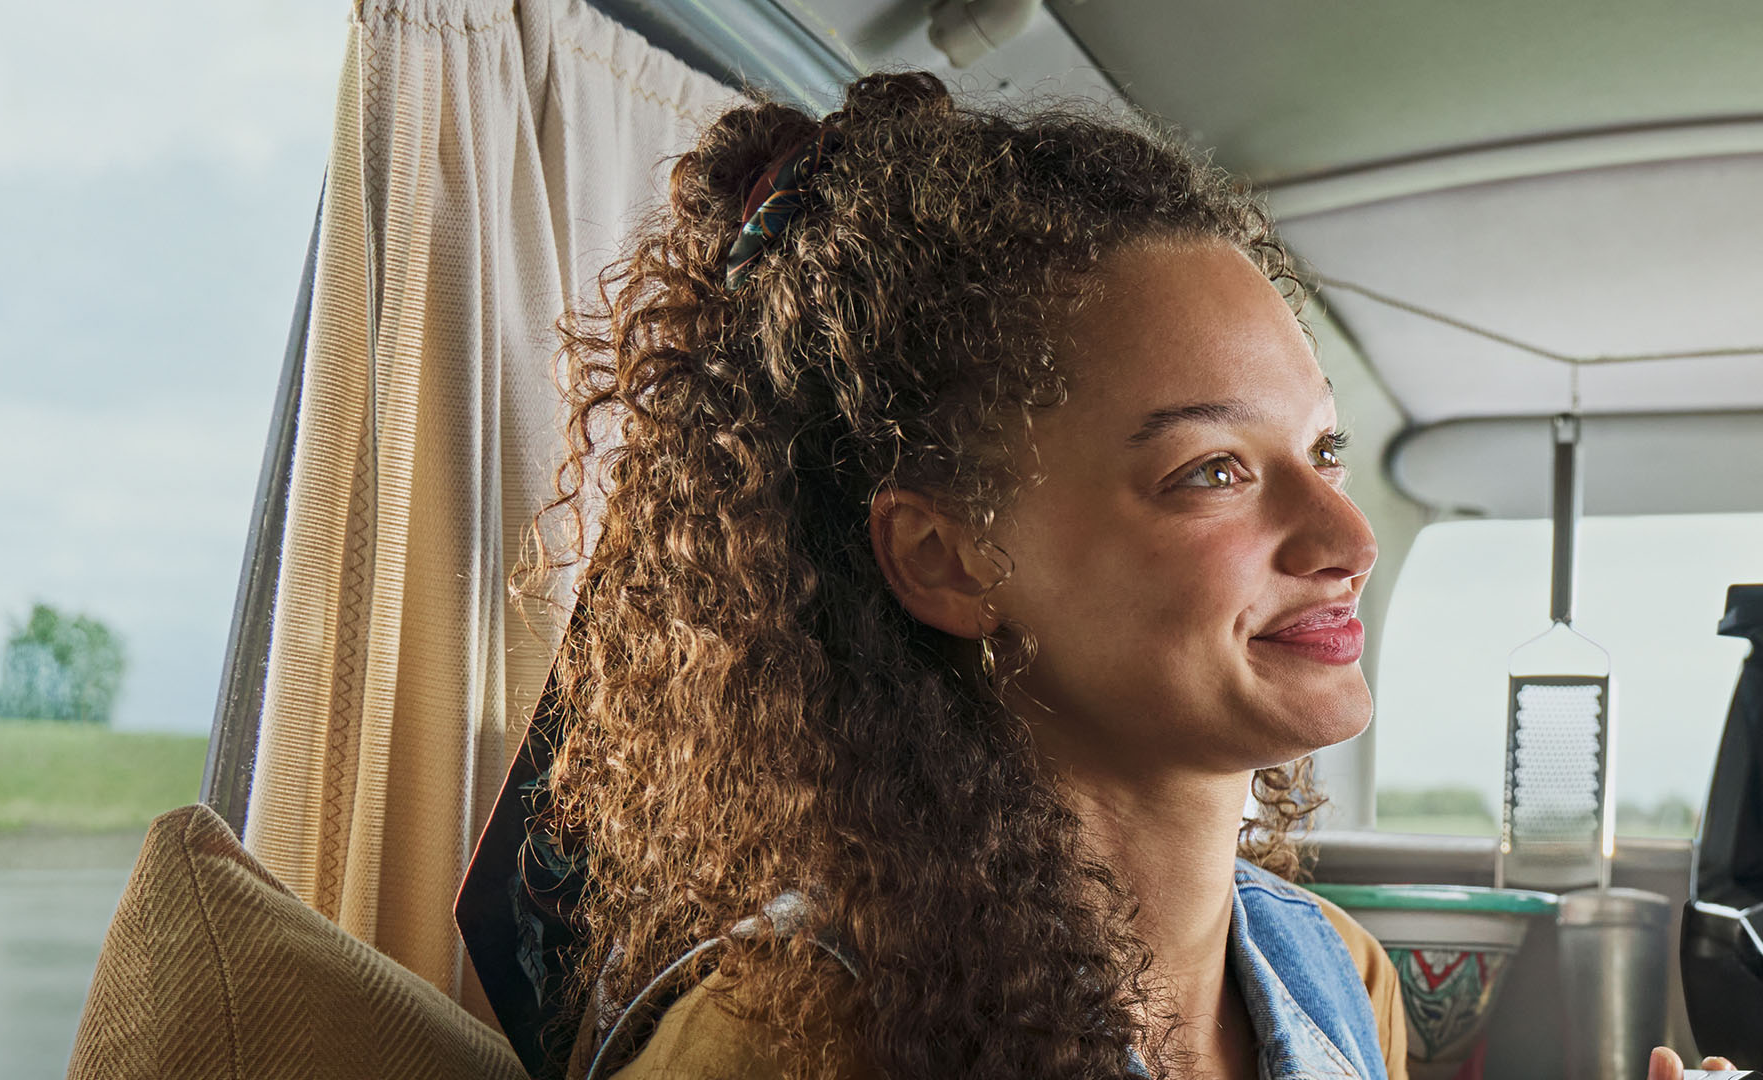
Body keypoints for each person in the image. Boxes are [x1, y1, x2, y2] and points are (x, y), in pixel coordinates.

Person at [539, 72, 1409, 1079]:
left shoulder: (1342, 978)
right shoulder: (790, 1046)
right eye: (1213, 471)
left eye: (1325, 450)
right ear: (945, 559)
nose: (1347, 537)